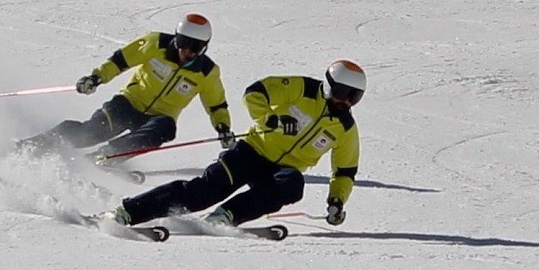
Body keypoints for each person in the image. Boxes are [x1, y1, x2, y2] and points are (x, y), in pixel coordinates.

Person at [107, 59, 366, 227]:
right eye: (342, 93)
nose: (346, 101)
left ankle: (228, 215)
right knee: (202, 193)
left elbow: (344, 171)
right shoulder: (302, 88)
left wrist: (336, 201)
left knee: (293, 184)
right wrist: (271, 119)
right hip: (251, 152)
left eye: (353, 97)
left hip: (280, 171)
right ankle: (131, 211)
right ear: (329, 85)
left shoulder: (345, 128)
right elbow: (255, 92)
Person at [19, 13, 235, 159]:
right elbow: (120, 60)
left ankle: (108, 156)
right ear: (176, 38)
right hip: (128, 103)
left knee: (166, 128)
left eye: (195, 47)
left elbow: (216, 105)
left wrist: (222, 128)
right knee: (91, 133)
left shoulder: (206, 72)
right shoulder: (155, 43)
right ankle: (34, 145)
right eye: (183, 42)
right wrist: (96, 78)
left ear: (204, 48)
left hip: (158, 118)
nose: (186, 51)